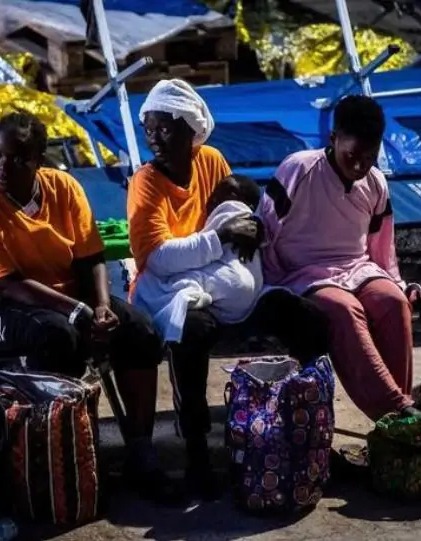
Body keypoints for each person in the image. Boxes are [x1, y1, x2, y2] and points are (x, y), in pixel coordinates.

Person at [0, 111, 177, 503]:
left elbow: (91, 257)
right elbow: (8, 282)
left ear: (39, 160)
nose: (4, 167)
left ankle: (140, 449)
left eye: (18, 159)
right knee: (60, 336)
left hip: (64, 294)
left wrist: (104, 307)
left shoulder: (64, 188)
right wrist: (77, 310)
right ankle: (70, 455)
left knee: (139, 331)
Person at [128, 79, 330, 500]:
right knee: (191, 329)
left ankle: (312, 431)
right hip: (173, 288)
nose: (154, 138)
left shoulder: (212, 162)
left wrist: (249, 231)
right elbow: (158, 258)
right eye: (149, 128)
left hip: (226, 280)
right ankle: (197, 450)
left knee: (307, 318)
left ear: (191, 131)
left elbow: (238, 217)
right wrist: (220, 238)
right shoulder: (145, 183)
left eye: (165, 128)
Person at [258, 95, 421, 423]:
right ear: (333, 139)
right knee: (344, 310)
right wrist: (270, 287)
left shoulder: (375, 182)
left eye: (369, 157)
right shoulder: (299, 169)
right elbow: (264, 232)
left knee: (392, 303)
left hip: (357, 268)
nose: (361, 166)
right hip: (303, 274)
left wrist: (400, 285)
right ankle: (396, 410)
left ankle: (391, 430)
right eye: (353, 156)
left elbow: (382, 246)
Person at [133, 174, 264, 343]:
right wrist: (222, 235)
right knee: (193, 322)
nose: (216, 195)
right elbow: (159, 259)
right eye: (216, 189)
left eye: (228, 191)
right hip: (236, 297)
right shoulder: (146, 182)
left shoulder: (230, 208)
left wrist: (255, 222)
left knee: (155, 286)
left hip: (231, 286)